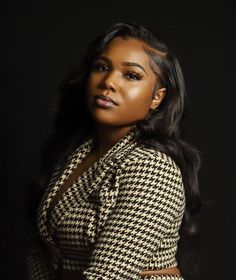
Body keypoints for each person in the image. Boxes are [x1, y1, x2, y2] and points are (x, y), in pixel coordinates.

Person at [27, 22, 201, 280]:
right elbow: (43, 250)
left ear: (157, 97)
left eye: (131, 75)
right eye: (102, 67)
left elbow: (108, 275)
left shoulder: (152, 168)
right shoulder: (76, 155)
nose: (108, 82)